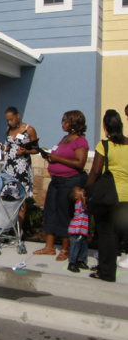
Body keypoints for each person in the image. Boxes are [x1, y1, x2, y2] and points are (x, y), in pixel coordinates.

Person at [34, 110, 88, 260]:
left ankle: (64, 249)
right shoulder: (65, 138)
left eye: (65, 121)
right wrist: (49, 157)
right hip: (56, 181)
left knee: (65, 213)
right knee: (50, 211)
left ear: (74, 123)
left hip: (70, 181)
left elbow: (80, 163)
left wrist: (57, 158)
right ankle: (49, 247)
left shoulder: (80, 141)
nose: (62, 123)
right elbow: (59, 156)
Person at [86, 110, 128, 280]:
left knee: (105, 233)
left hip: (110, 196)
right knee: (116, 234)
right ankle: (109, 266)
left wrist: (86, 191)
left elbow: (95, 172)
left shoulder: (104, 145)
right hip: (126, 196)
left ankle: (106, 272)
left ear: (105, 126)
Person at [0, 106, 38, 224]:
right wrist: (1, 147)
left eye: (11, 119)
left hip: (21, 167)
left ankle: (19, 228)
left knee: (20, 197)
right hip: (8, 166)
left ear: (17, 116)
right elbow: (9, 147)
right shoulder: (8, 129)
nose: (9, 122)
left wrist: (26, 151)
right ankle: (6, 225)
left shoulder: (29, 130)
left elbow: (36, 149)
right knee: (6, 195)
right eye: (7, 120)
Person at [67, 187, 89, 273]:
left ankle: (81, 260)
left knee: (83, 245)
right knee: (75, 245)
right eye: (80, 190)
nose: (82, 189)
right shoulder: (79, 203)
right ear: (76, 196)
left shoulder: (83, 201)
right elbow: (84, 207)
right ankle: (72, 262)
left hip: (83, 229)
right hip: (76, 229)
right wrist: (83, 197)